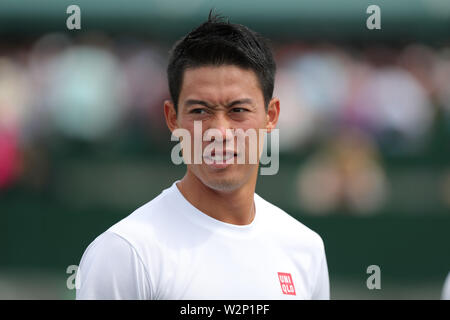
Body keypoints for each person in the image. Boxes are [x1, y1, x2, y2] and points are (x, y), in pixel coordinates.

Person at [76, 11, 330, 300]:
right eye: (199, 111)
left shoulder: (305, 248)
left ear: (271, 116)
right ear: (173, 119)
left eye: (238, 110)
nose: (219, 131)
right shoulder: (125, 251)